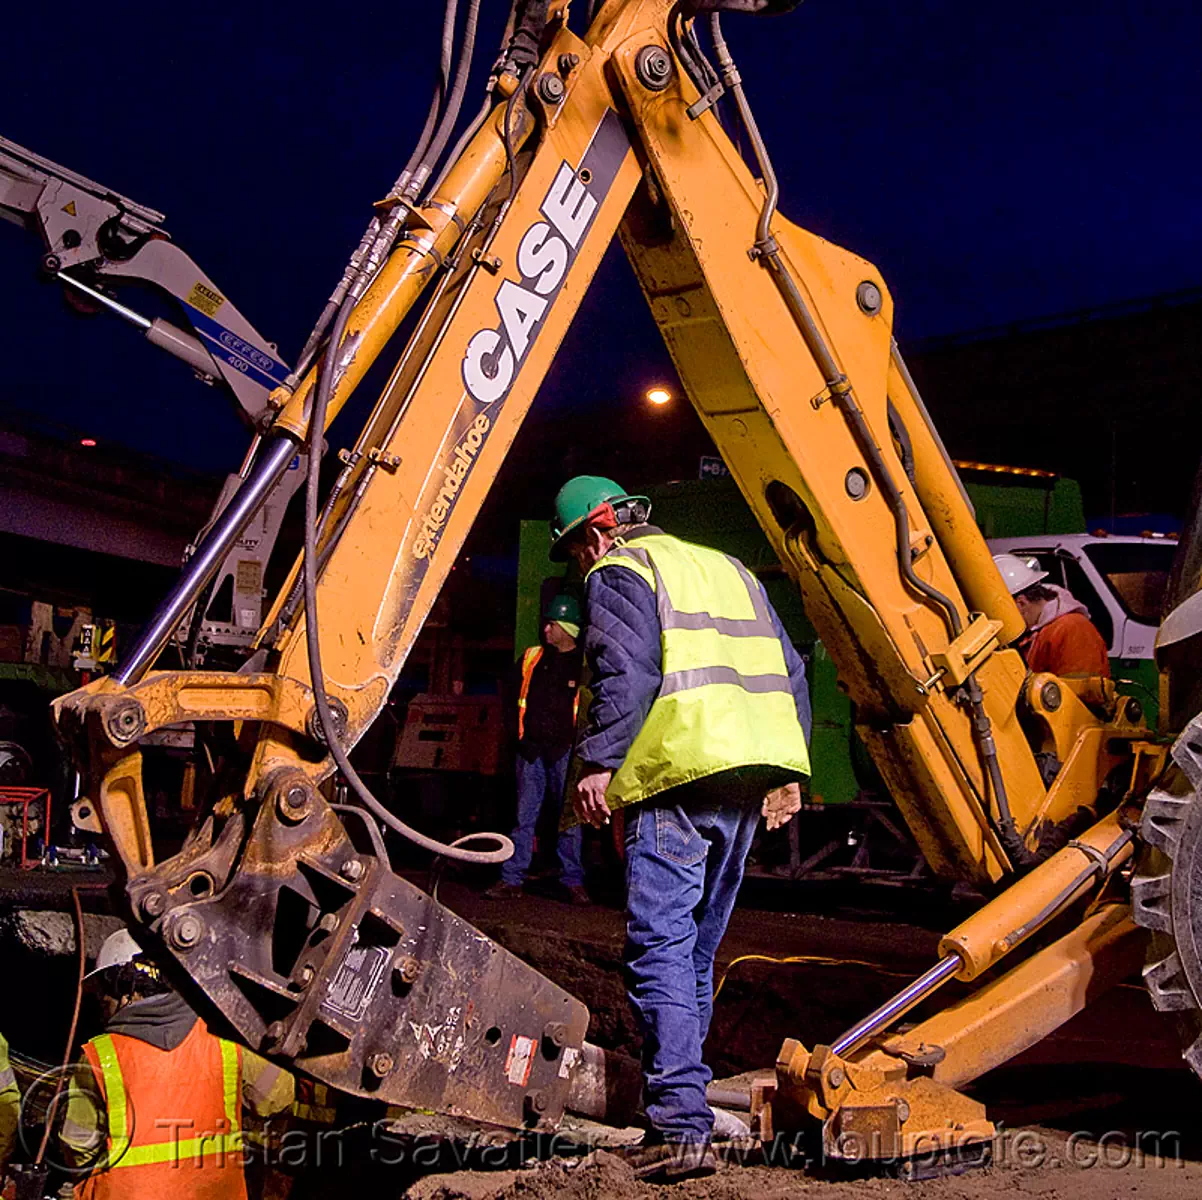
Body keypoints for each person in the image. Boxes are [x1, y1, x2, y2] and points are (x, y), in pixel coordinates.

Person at [551, 475, 811, 1179]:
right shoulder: (727, 569)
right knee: (693, 953)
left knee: (659, 947)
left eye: (576, 552)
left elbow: (621, 673)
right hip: (748, 776)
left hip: (678, 772)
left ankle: (678, 1127)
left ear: (598, 533)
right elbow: (790, 670)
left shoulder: (621, 569)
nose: (582, 567)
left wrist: (598, 763)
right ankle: (687, 1107)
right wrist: (791, 771)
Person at [61, 928, 291, 1200]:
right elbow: (278, 1094)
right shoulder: (222, 1036)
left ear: (129, 989)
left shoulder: (101, 1056)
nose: (102, 1001)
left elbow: (77, 1147)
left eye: (105, 992)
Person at [488, 594, 588, 904]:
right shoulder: (532, 657)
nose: (546, 630)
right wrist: (518, 740)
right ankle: (511, 878)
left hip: (564, 754)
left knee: (568, 820)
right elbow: (509, 700)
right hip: (531, 752)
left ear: (567, 628)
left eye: (552, 624)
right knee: (524, 817)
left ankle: (572, 880)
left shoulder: (583, 664)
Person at [993, 553, 1110, 679]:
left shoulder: (1072, 629)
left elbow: (1078, 692)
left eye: (1001, 613)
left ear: (1021, 602)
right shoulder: (1036, 632)